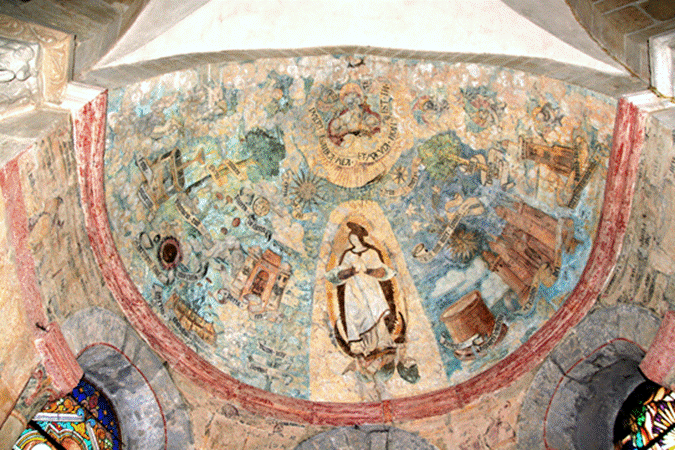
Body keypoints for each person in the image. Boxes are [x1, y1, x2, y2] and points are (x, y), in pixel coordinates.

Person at [326, 222, 398, 357]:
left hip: (370, 288)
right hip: (353, 290)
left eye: (355, 238)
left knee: (374, 313)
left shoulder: (371, 252)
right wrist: (351, 271)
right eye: (351, 238)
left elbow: (381, 271)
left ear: (360, 238)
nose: (353, 240)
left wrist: (368, 270)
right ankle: (359, 345)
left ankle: (382, 342)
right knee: (354, 314)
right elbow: (340, 272)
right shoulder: (348, 254)